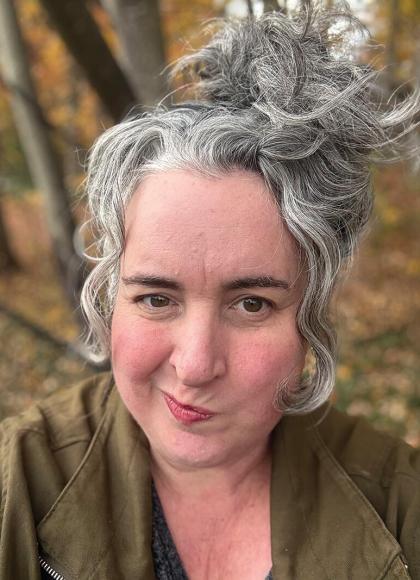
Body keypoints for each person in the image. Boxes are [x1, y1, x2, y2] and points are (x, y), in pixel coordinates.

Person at [1, 2, 419, 579]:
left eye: (251, 304)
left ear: (311, 314)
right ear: (110, 295)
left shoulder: (400, 508)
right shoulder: (18, 485)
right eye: (156, 299)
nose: (195, 366)